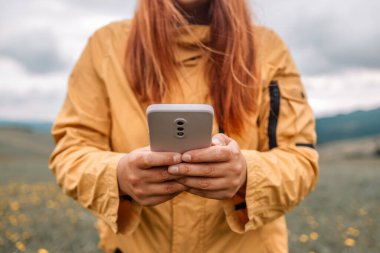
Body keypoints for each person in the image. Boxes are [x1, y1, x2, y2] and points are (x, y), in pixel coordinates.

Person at [48, 0, 319, 252]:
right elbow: (72, 150)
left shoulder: (268, 49)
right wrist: (118, 176)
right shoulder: (105, 47)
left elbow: (300, 158)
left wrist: (246, 174)